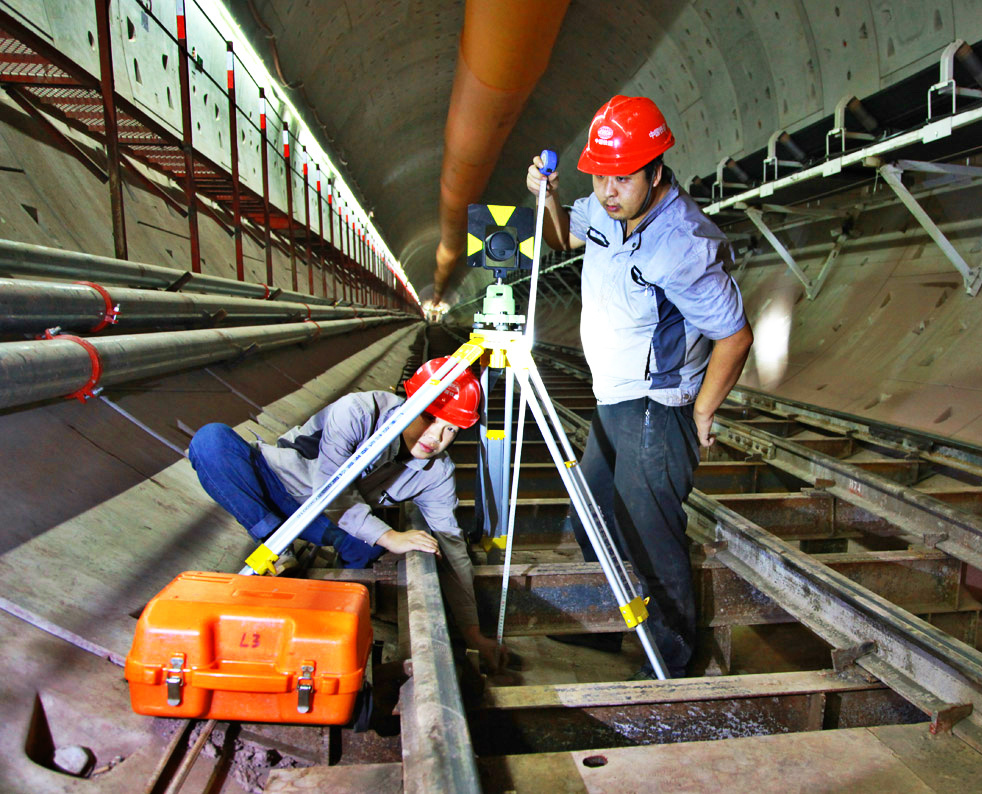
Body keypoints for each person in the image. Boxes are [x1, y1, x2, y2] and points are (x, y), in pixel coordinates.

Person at [525, 95, 753, 678]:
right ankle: (607, 628)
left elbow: (734, 336)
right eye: (599, 175)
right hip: (613, 400)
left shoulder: (682, 244)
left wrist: (702, 412)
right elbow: (560, 240)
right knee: (590, 518)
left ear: (655, 172)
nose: (607, 189)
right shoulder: (606, 208)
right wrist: (547, 197)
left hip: (657, 404)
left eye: (621, 177)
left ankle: (672, 658)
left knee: (648, 533)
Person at [187, 357, 509, 672]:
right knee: (210, 442)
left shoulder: (436, 472)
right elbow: (331, 489)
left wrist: (472, 633)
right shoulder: (357, 412)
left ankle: (332, 623)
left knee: (369, 547)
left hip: (326, 521)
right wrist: (390, 535)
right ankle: (276, 544)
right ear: (411, 400)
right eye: (429, 418)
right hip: (279, 486)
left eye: (450, 429)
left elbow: (452, 547)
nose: (435, 438)